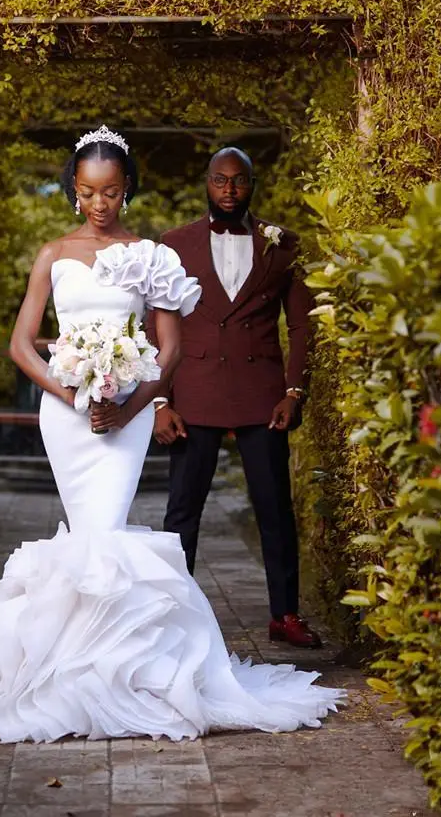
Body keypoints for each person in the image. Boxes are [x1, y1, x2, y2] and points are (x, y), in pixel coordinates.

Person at [0, 127, 344, 741]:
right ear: (73, 191)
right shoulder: (52, 254)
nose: (100, 204)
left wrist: (128, 403)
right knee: (86, 533)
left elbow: (168, 349)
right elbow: (20, 345)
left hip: (129, 413)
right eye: (88, 192)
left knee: (106, 529)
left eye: (112, 192)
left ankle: (120, 671)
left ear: (127, 191)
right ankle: (70, 670)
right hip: (65, 413)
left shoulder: (152, 257)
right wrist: (70, 393)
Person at [153, 146, 322, 649]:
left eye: (239, 181)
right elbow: (155, 323)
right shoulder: (174, 244)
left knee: (275, 508)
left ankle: (285, 615)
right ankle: (172, 615)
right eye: (220, 180)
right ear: (206, 183)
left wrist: (294, 391)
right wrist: (160, 402)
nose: (229, 190)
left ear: (253, 183)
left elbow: (301, 324)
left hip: (261, 393)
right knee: (182, 512)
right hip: (194, 393)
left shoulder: (283, 244)